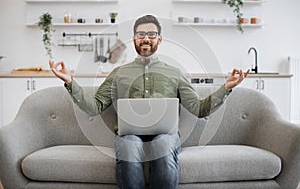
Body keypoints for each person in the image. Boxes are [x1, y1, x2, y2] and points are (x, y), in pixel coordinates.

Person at [50, 14, 249, 189]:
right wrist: (69, 81)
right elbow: (94, 107)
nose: (146, 38)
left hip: (166, 135)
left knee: (163, 144)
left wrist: (227, 87)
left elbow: (199, 109)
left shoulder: (175, 73)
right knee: (129, 146)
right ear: (134, 39)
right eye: (140, 34)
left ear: (159, 39)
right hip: (129, 136)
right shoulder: (119, 73)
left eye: (151, 34)